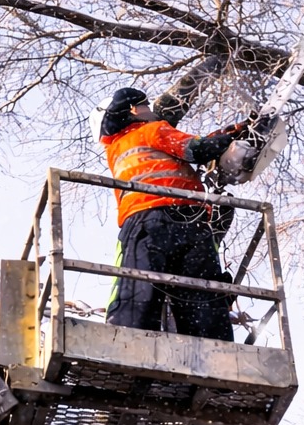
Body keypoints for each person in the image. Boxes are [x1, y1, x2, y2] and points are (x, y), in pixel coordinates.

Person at [97, 86, 251, 341]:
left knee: (139, 289)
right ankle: (212, 346)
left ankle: (126, 342)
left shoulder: (117, 148)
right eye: (147, 106)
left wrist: (220, 137)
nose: (153, 112)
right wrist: (230, 138)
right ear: (135, 110)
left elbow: (181, 153)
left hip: (144, 222)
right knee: (201, 292)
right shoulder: (153, 130)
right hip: (186, 220)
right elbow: (197, 150)